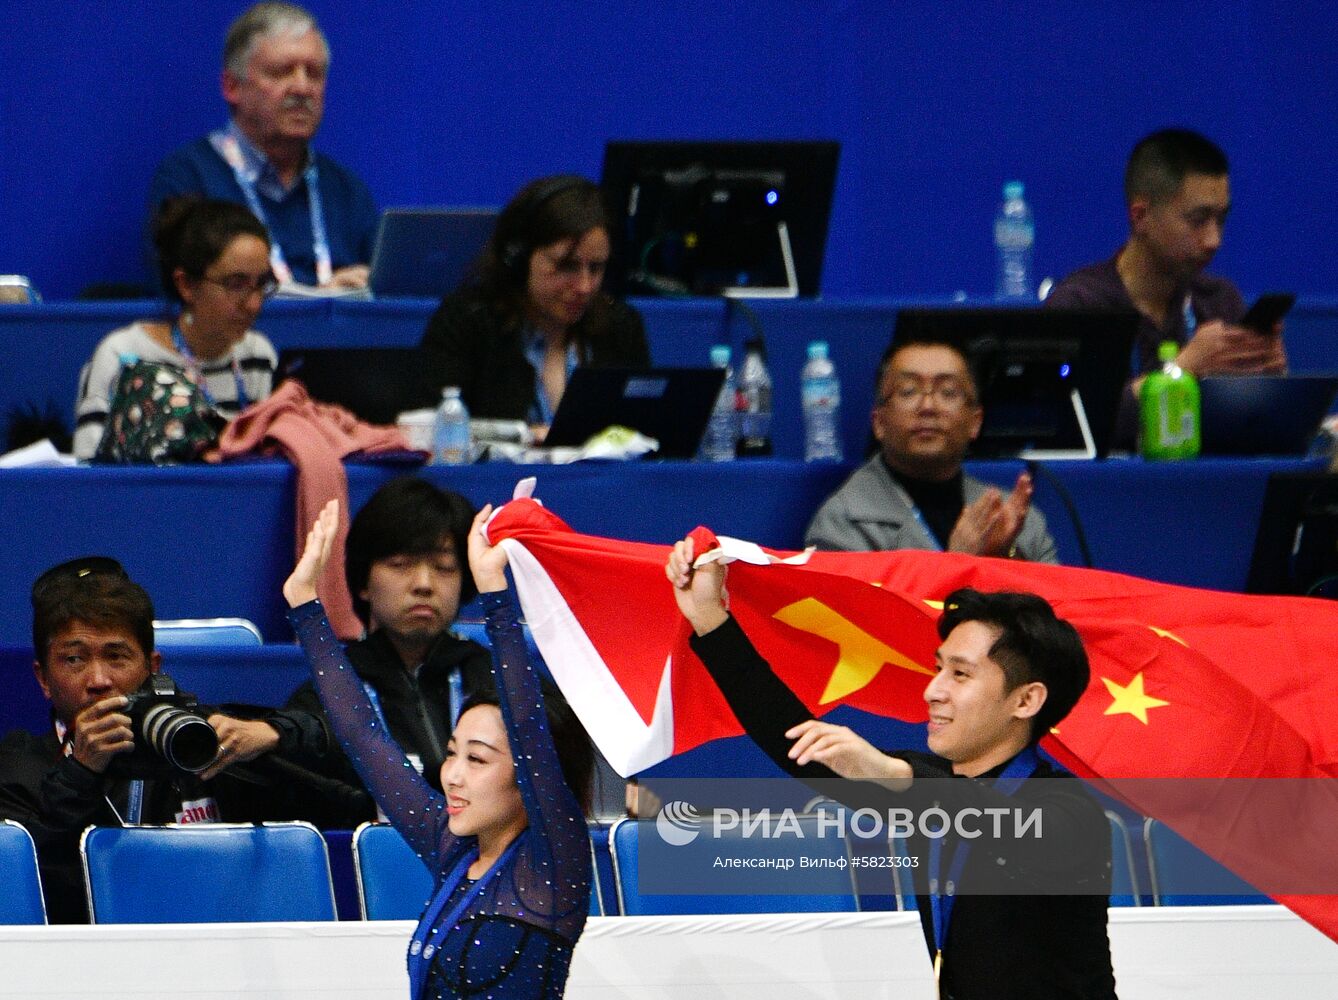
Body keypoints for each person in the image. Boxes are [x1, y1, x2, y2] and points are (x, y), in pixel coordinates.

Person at [666, 538, 1116, 999]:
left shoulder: (1071, 813)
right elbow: (796, 743)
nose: (933, 691)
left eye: (960, 675)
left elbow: (990, 819)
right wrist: (710, 619)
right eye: (938, 668)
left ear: (1026, 700)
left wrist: (893, 776)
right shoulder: (928, 785)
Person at [286, 500, 593, 999]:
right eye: (452, 753)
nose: (451, 774)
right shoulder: (453, 850)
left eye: (477, 759)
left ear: (530, 778)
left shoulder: (553, 863)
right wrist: (305, 604)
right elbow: (363, 735)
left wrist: (495, 594)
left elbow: (530, 727)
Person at [0, 557, 356, 923]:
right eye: (74, 659)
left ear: (153, 668)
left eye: (116, 656)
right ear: (43, 679)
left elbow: (356, 788)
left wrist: (276, 735)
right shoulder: (17, 766)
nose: (99, 680)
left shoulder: (200, 739)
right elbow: (24, 886)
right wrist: (80, 772)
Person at [1047, 128, 1286, 443]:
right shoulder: (1079, 305)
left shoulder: (1219, 302)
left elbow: (1257, 432)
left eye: (1221, 220)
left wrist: (1270, 382)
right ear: (1141, 217)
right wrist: (1183, 369)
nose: (1214, 240)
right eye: (1198, 219)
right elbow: (1067, 425)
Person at [285, 477, 492, 799]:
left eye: (444, 567)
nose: (424, 584)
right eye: (400, 565)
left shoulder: (495, 679)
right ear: (364, 582)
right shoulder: (328, 692)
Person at [147, 2, 376, 291]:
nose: (302, 88)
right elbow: (190, 299)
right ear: (232, 86)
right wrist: (319, 298)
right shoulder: (189, 179)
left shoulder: (347, 191)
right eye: (282, 72)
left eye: (314, 73)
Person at [419, 175, 650, 440]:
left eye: (596, 268)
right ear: (518, 259)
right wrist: (524, 435)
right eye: (566, 266)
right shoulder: (466, 322)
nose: (585, 286)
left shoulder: (620, 326)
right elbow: (431, 428)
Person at [805, 338, 1058, 562]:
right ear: (879, 423)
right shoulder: (842, 522)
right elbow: (854, 616)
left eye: (948, 392)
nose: (928, 406)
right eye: (908, 391)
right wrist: (958, 563)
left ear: (976, 422)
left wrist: (1006, 557)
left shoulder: (1014, 521)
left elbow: (1055, 613)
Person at [73, 197, 279, 460]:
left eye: (261, 283)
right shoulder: (122, 355)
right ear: (186, 285)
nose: (253, 304)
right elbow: (88, 473)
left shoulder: (258, 355)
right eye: (236, 284)